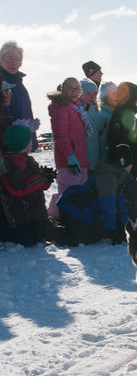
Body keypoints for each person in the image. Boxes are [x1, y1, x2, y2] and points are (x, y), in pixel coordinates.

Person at [0, 125, 54, 246]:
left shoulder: (27, 160)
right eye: (29, 140)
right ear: (21, 144)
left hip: (35, 214)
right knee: (31, 241)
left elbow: (38, 186)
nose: (32, 142)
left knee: (44, 235)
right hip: (23, 218)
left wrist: (46, 179)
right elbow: (18, 189)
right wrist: (40, 178)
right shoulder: (13, 164)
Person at [48, 77, 91, 218]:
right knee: (67, 195)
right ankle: (56, 219)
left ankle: (73, 222)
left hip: (81, 159)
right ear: (63, 90)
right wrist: (70, 156)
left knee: (79, 195)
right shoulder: (61, 108)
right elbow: (60, 135)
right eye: (70, 88)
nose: (74, 92)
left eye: (77, 88)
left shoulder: (77, 109)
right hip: (69, 162)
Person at [0, 41, 38, 150]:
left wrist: (31, 139)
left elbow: (26, 114)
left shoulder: (19, 85)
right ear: (1, 59)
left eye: (17, 59)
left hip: (22, 143)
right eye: (9, 59)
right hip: (8, 144)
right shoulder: (3, 84)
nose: (14, 63)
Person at [107, 81, 137, 176]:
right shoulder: (124, 116)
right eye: (136, 98)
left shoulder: (124, 114)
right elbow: (121, 141)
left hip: (130, 165)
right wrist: (126, 163)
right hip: (127, 168)